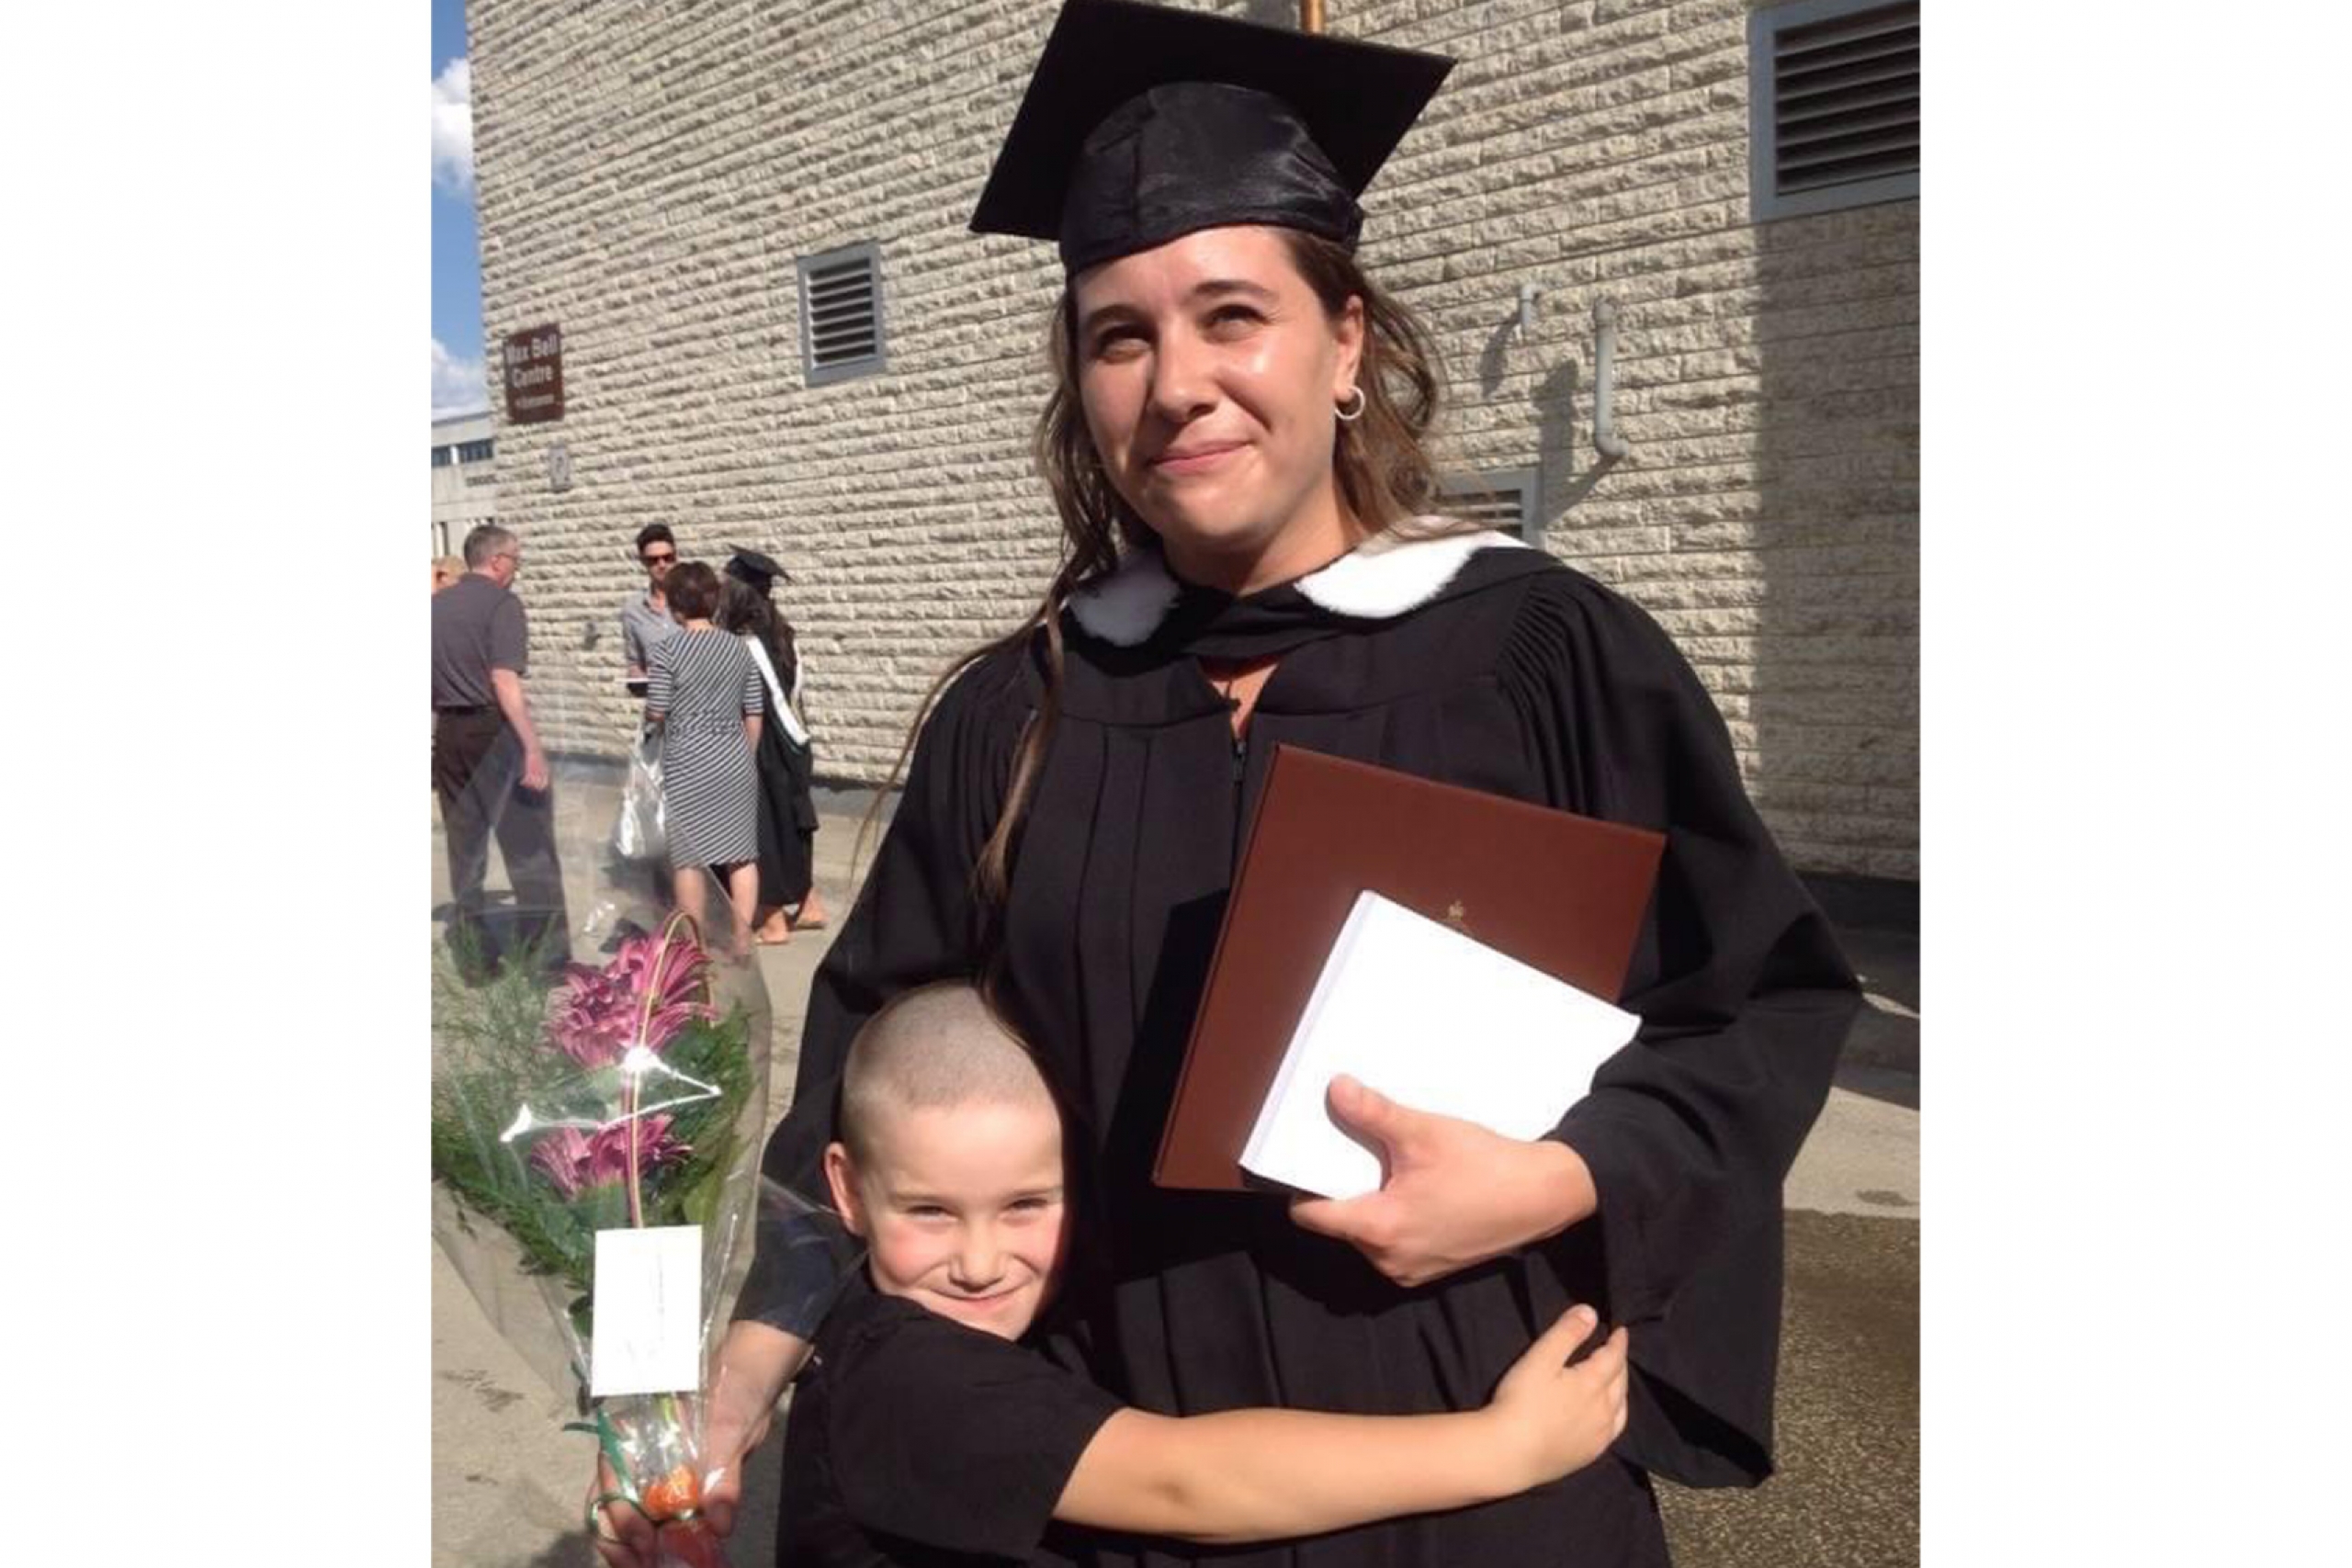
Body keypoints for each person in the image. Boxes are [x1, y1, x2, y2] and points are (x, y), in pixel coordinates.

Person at [741, 5, 1860, 1566]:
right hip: (1128, 1480)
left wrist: (1561, 1176)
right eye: (1120, 335)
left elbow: (1753, 1006)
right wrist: (744, 1367)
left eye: (1230, 316)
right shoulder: (1021, 714)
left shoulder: (1543, 655)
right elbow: (873, 1057)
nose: (1176, 382)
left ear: (1345, 342)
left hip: (1481, 1471)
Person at [591, 982, 1631, 1568]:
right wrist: (1502, 1446)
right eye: (929, 1212)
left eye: (1026, 1206)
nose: (983, 1261)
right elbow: (1184, 1478)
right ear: (846, 1192)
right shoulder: (909, 1377)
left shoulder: (911, 1335)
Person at [431, 523, 571, 978]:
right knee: (528, 844)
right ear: (496, 561)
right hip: (495, 730)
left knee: (465, 846)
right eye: (516, 560)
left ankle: (476, 961)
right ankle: (546, 957)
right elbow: (505, 680)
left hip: (450, 734)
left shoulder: (435, 609)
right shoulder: (503, 605)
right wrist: (532, 747)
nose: (517, 569)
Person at [644, 560, 765, 947]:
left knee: (689, 858)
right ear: (714, 601)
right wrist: (746, 755)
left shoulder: (666, 650)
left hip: (686, 761)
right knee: (741, 855)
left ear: (675, 605)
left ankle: (694, 947)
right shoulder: (739, 648)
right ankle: (743, 941)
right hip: (733, 757)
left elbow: (658, 708)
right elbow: (754, 711)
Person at [717, 549, 831, 944]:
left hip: (763, 745)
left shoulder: (742, 644)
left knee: (764, 829)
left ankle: (772, 919)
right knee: (794, 823)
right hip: (794, 741)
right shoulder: (784, 634)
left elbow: (746, 703)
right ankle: (810, 903)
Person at [622, 524, 681, 682]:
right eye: (653, 560)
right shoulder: (633, 610)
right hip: (659, 702)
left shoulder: (694, 599)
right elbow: (635, 661)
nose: (662, 565)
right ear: (643, 561)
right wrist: (637, 678)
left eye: (668, 558)